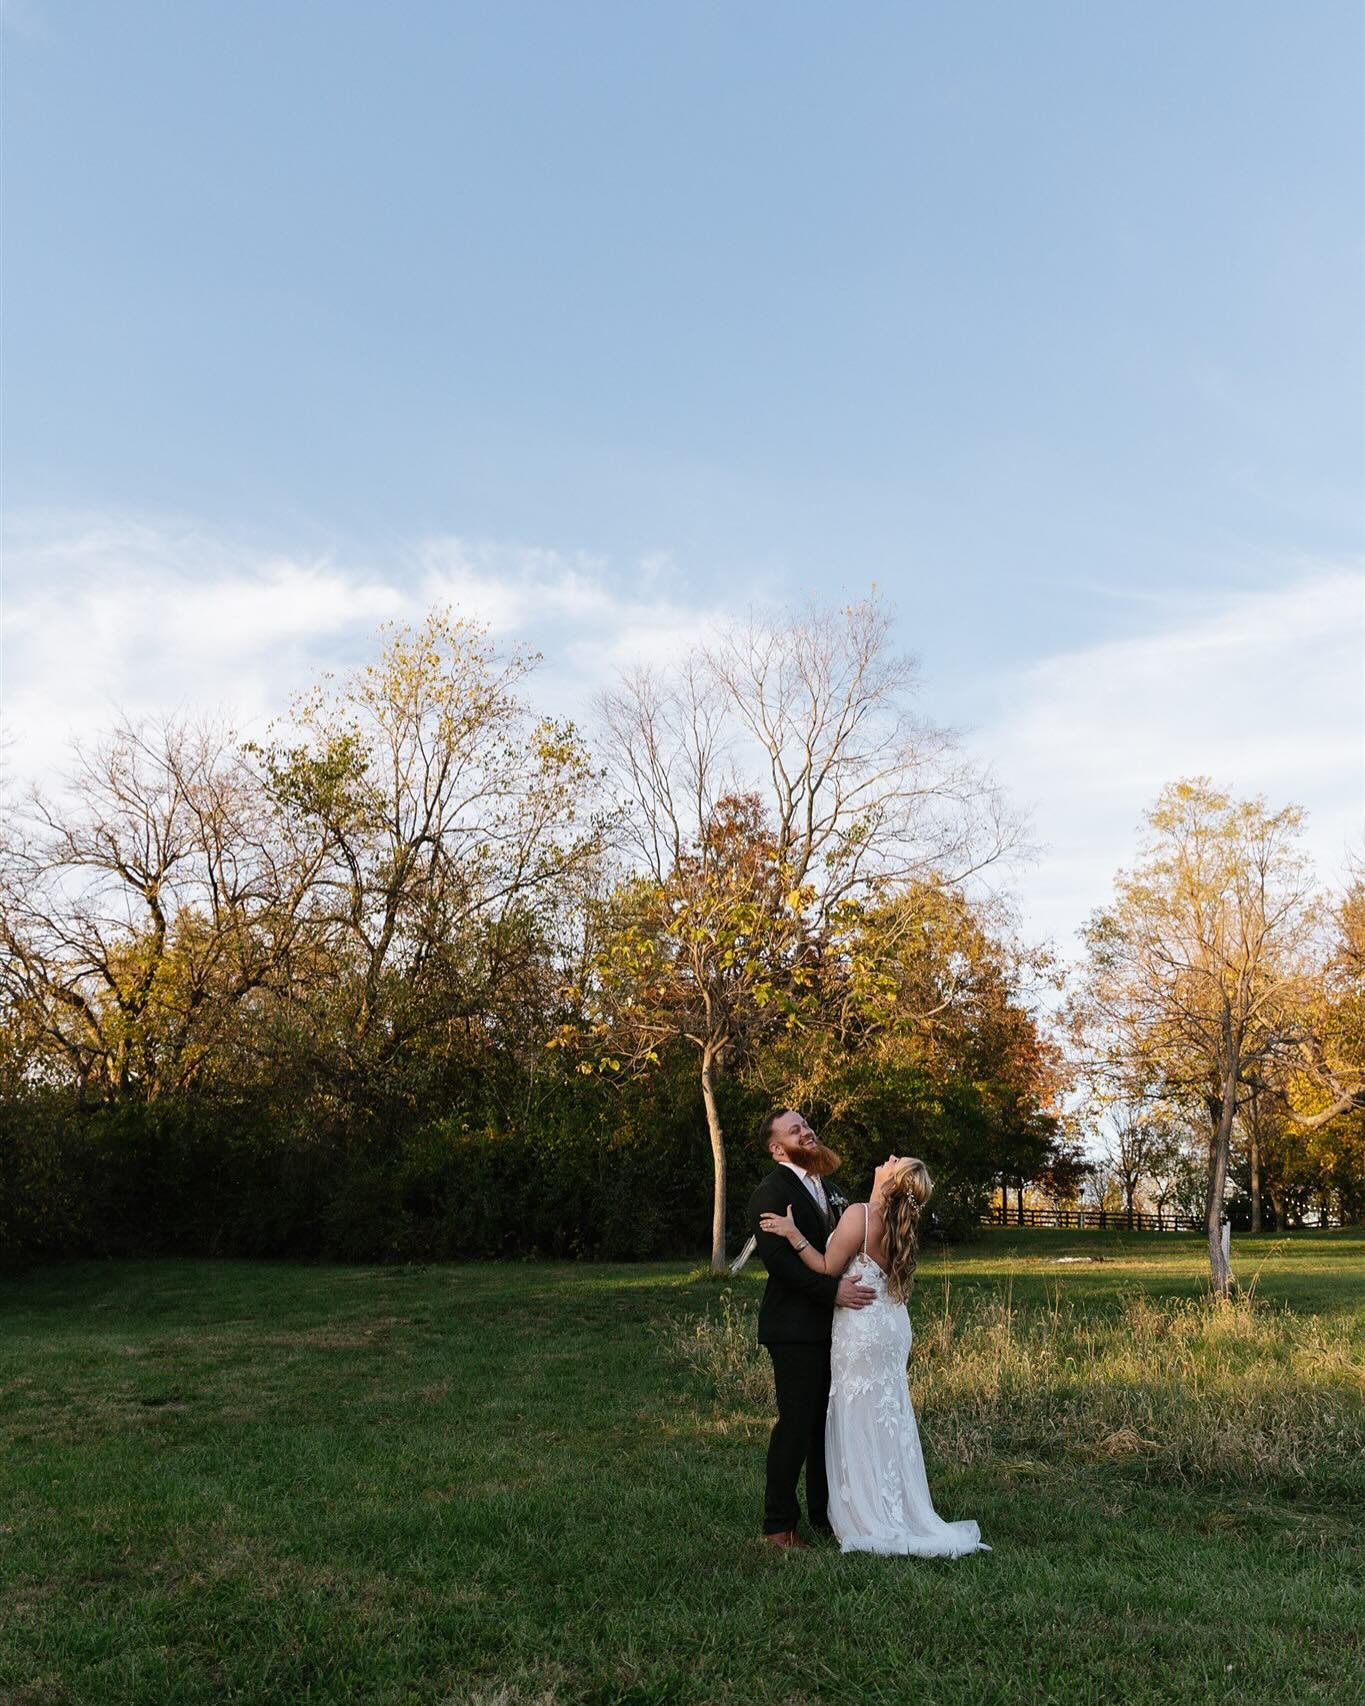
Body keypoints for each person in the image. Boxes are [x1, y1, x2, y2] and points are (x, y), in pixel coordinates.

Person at [760, 1152, 989, 1557]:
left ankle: (865, 1513)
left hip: (861, 1326)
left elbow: (828, 1267)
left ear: (893, 1180)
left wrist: (793, 1234)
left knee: (857, 1415)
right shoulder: (902, 1222)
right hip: (892, 1326)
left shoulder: (859, 1215)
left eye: (895, 1160)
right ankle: (892, 1506)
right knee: (888, 1416)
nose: (887, 1156)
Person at [748, 1109, 874, 1551]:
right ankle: (778, 1527)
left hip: (834, 1329)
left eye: (806, 1124)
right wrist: (833, 1291)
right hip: (794, 1328)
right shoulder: (770, 1192)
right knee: (797, 1425)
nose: (807, 1131)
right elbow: (781, 1266)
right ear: (777, 1148)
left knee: (829, 1425)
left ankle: (826, 1517)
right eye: (795, 1130)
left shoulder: (830, 1188)